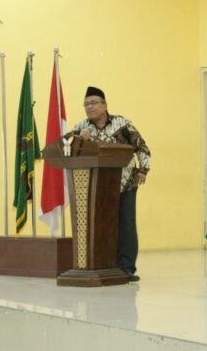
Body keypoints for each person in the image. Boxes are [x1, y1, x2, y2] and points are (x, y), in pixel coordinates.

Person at [71, 86, 151, 282]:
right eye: (86, 104)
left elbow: (142, 147)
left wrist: (143, 169)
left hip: (124, 184)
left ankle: (126, 268)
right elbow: (67, 148)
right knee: (101, 226)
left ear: (105, 105)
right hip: (95, 188)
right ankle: (104, 264)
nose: (89, 107)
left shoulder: (122, 124)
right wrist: (79, 139)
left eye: (93, 103)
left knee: (126, 226)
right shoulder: (81, 127)